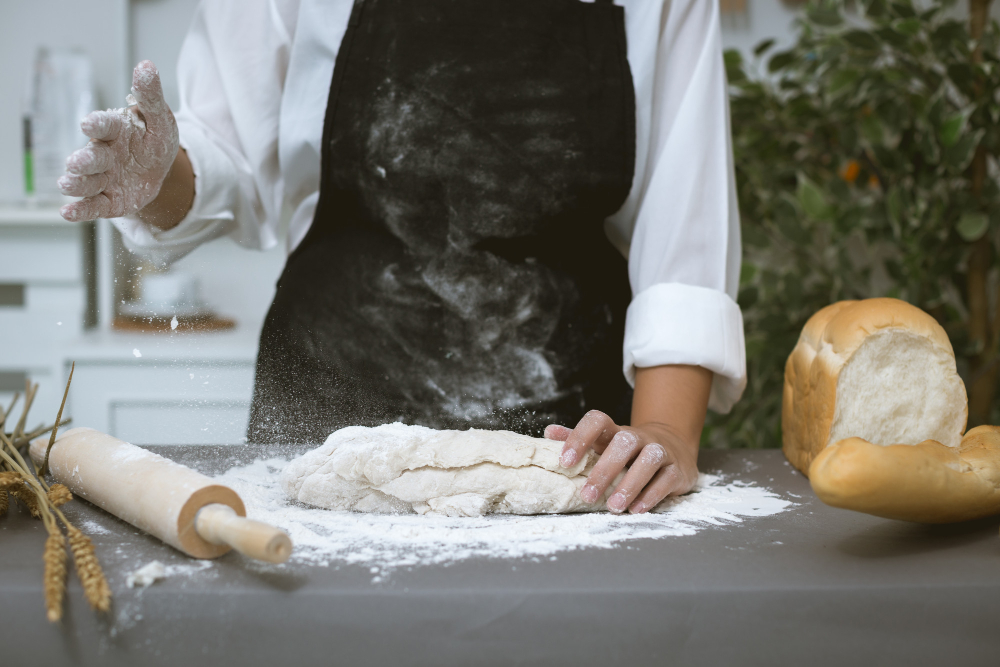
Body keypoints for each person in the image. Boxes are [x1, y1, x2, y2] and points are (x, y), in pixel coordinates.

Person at [58, 0, 745, 515]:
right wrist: (158, 179)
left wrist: (662, 430)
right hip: (326, 416)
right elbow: (230, 158)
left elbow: (682, 215)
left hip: (572, 448)